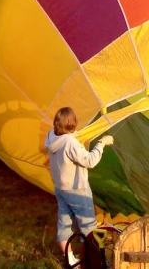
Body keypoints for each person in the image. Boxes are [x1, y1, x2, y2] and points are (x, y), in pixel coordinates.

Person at [45, 107, 115, 266]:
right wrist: (102, 143)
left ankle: (70, 260)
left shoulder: (51, 136)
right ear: (72, 123)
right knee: (89, 227)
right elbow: (89, 161)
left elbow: (66, 140)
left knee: (64, 224)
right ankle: (94, 261)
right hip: (77, 191)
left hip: (61, 189)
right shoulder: (69, 143)